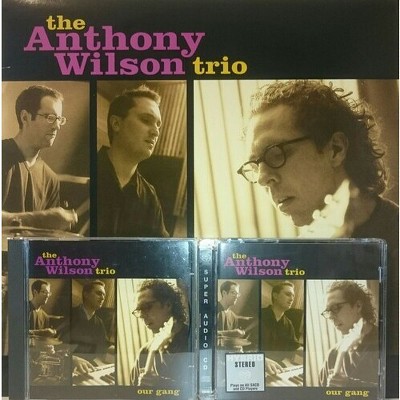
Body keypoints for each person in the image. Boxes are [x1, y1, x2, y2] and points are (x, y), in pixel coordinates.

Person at [237, 80, 398, 395]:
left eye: (275, 153)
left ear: (335, 149)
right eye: (255, 166)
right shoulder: (300, 251)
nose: (264, 177)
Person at [2, 85, 78, 231]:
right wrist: (39, 219)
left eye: (59, 119)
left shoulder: (51, 179)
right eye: (50, 118)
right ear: (25, 117)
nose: (57, 126)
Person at [97, 85, 169, 237]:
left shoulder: (150, 198)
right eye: (146, 120)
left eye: (158, 125)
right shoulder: (87, 172)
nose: (156, 132)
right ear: (116, 124)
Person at [130, 279, 190, 387]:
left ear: (168, 305)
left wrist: (162, 384)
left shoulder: (194, 341)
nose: (142, 315)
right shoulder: (144, 352)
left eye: (147, 307)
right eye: (139, 310)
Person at [319, 281, 379, 387]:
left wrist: (350, 385)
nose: (331, 316)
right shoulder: (333, 354)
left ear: (358, 306)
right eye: (328, 311)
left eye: (335, 308)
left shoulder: (388, 343)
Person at [60, 280, 113, 376]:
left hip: (87, 367)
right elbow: (56, 344)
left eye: (104, 295)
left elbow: (105, 345)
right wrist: (72, 358)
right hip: (67, 364)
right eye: (99, 293)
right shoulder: (70, 314)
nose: (102, 298)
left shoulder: (99, 322)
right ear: (86, 294)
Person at [261, 281, 303, 377]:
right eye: (288, 294)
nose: (292, 299)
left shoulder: (288, 324)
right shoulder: (260, 315)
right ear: (275, 295)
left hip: (277, 367)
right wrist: (262, 360)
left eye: (293, 296)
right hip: (259, 364)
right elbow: (246, 347)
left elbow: (296, 346)